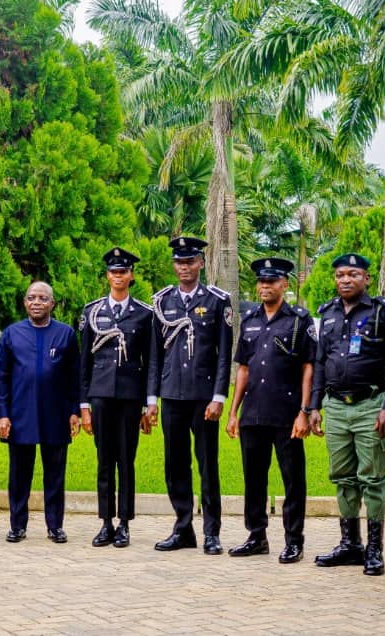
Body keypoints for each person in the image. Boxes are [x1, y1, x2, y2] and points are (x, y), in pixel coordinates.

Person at [309, 252, 385, 576]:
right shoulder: (328, 313)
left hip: (371, 407)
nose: (346, 280)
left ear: (366, 277)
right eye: (340, 275)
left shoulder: (383, 312)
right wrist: (314, 407)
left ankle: (375, 550)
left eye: (353, 274)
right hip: (336, 407)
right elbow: (320, 363)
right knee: (343, 478)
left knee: (373, 479)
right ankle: (350, 545)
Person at [225, 258, 316, 564]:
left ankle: (293, 540)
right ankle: (256, 535)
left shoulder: (299, 320)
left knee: (292, 479)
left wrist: (304, 411)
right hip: (253, 412)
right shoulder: (249, 319)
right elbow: (243, 369)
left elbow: (308, 368)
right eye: (262, 282)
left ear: (284, 284)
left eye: (272, 281)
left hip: (287, 413)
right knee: (253, 477)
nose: (265, 286)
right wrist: (233, 411)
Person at [146, 236, 233, 555]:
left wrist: (219, 396)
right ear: (175, 265)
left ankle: (212, 532)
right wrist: (152, 400)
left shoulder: (216, 301)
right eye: (179, 262)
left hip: (203, 395)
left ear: (201, 263)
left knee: (207, 464)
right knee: (175, 463)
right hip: (171, 394)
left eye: (190, 261)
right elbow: (155, 355)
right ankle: (183, 527)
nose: (184, 267)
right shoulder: (162, 301)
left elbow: (225, 353)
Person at [0, 281, 81, 544]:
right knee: (19, 474)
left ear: (52, 304)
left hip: (56, 414)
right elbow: (1, 377)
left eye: (43, 298)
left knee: (55, 473)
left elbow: (74, 377)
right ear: (24, 302)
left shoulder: (65, 334)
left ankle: (55, 526)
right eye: (31, 297)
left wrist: (74, 411)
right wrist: (3, 413)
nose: (36, 302)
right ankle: (17, 525)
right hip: (21, 414)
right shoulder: (12, 334)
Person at [78, 247, 153, 548]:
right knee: (104, 459)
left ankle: (124, 523)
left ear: (131, 276)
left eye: (123, 271)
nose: (118, 276)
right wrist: (84, 405)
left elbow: (150, 363)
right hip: (100, 395)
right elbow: (84, 361)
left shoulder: (144, 314)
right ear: (107, 276)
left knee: (126, 459)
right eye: (113, 272)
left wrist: (149, 403)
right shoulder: (92, 312)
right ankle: (106, 522)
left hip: (130, 397)